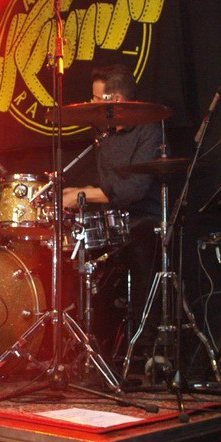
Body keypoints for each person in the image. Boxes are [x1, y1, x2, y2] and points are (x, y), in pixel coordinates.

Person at [60, 64, 162, 368]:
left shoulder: (148, 130)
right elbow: (107, 186)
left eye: (95, 98)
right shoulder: (103, 134)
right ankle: (91, 347)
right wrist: (77, 194)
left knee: (141, 249)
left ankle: (145, 349)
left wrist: (84, 193)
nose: (91, 104)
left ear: (115, 99)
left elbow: (133, 190)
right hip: (110, 222)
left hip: (144, 220)